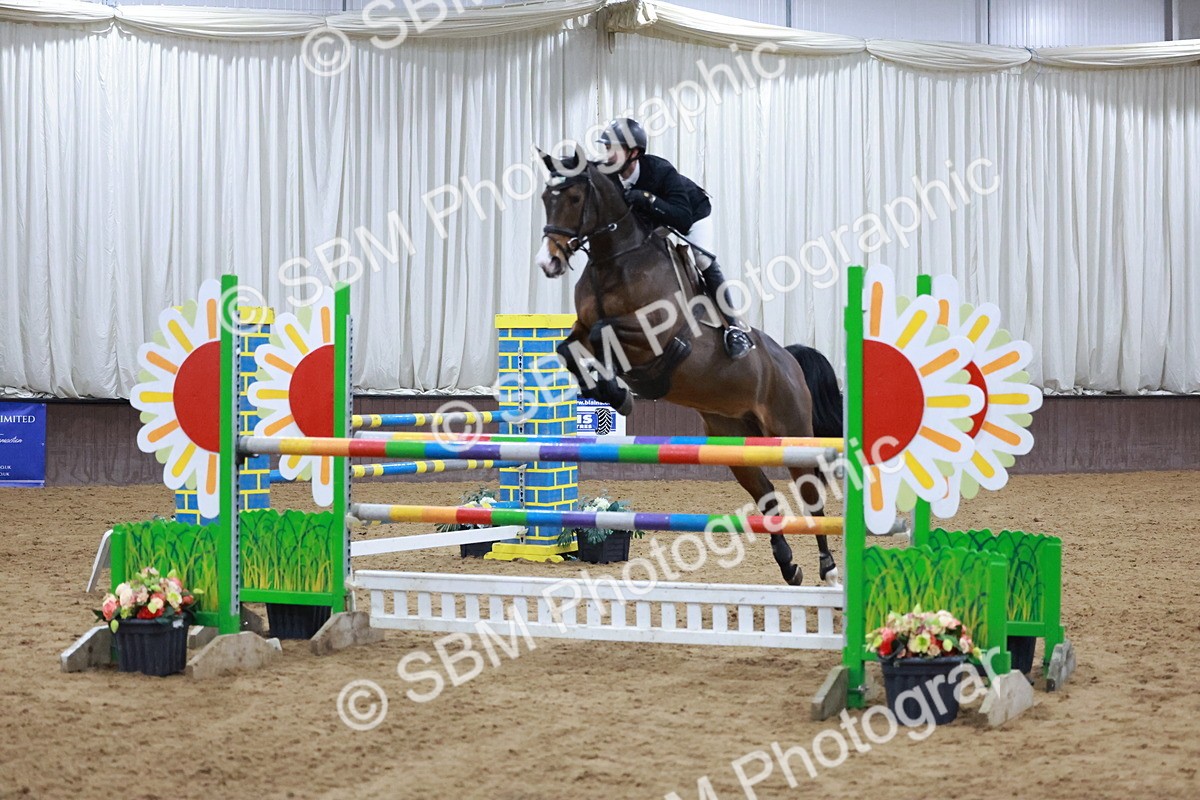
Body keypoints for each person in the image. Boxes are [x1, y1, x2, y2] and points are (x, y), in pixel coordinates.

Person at [596, 118, 754, 360]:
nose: (607, 155)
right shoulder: (610, 175)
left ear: (634, 153)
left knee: (702, 260)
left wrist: (647, 198)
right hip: (655, 222)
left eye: (612, 149)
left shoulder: (661, 171)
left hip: (691, 214)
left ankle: (734, 327)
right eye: (606, 149)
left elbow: (682, 218)